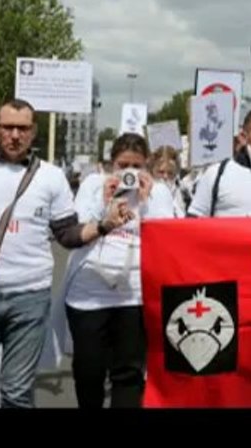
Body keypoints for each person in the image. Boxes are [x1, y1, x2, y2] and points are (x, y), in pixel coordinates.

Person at [0, 99, 130, 408]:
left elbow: (67, 234)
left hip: (30, 299)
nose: (15, 135)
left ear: (33, 132)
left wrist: (105, 224)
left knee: (16, 394)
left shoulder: (51, 177)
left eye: (23, 128)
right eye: (8, 127)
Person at [56, 133, 176, 408]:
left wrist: (147, 202)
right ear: (111, 164)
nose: (129, 173)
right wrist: (105, 201)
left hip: (134, 295)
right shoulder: (93, 184)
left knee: (129, 374)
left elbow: (166, 239)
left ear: (146, 164)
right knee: (89, 371)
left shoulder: (159, 191)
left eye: (136, 166)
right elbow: (80, 229)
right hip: (89, 294)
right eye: (123, 166)